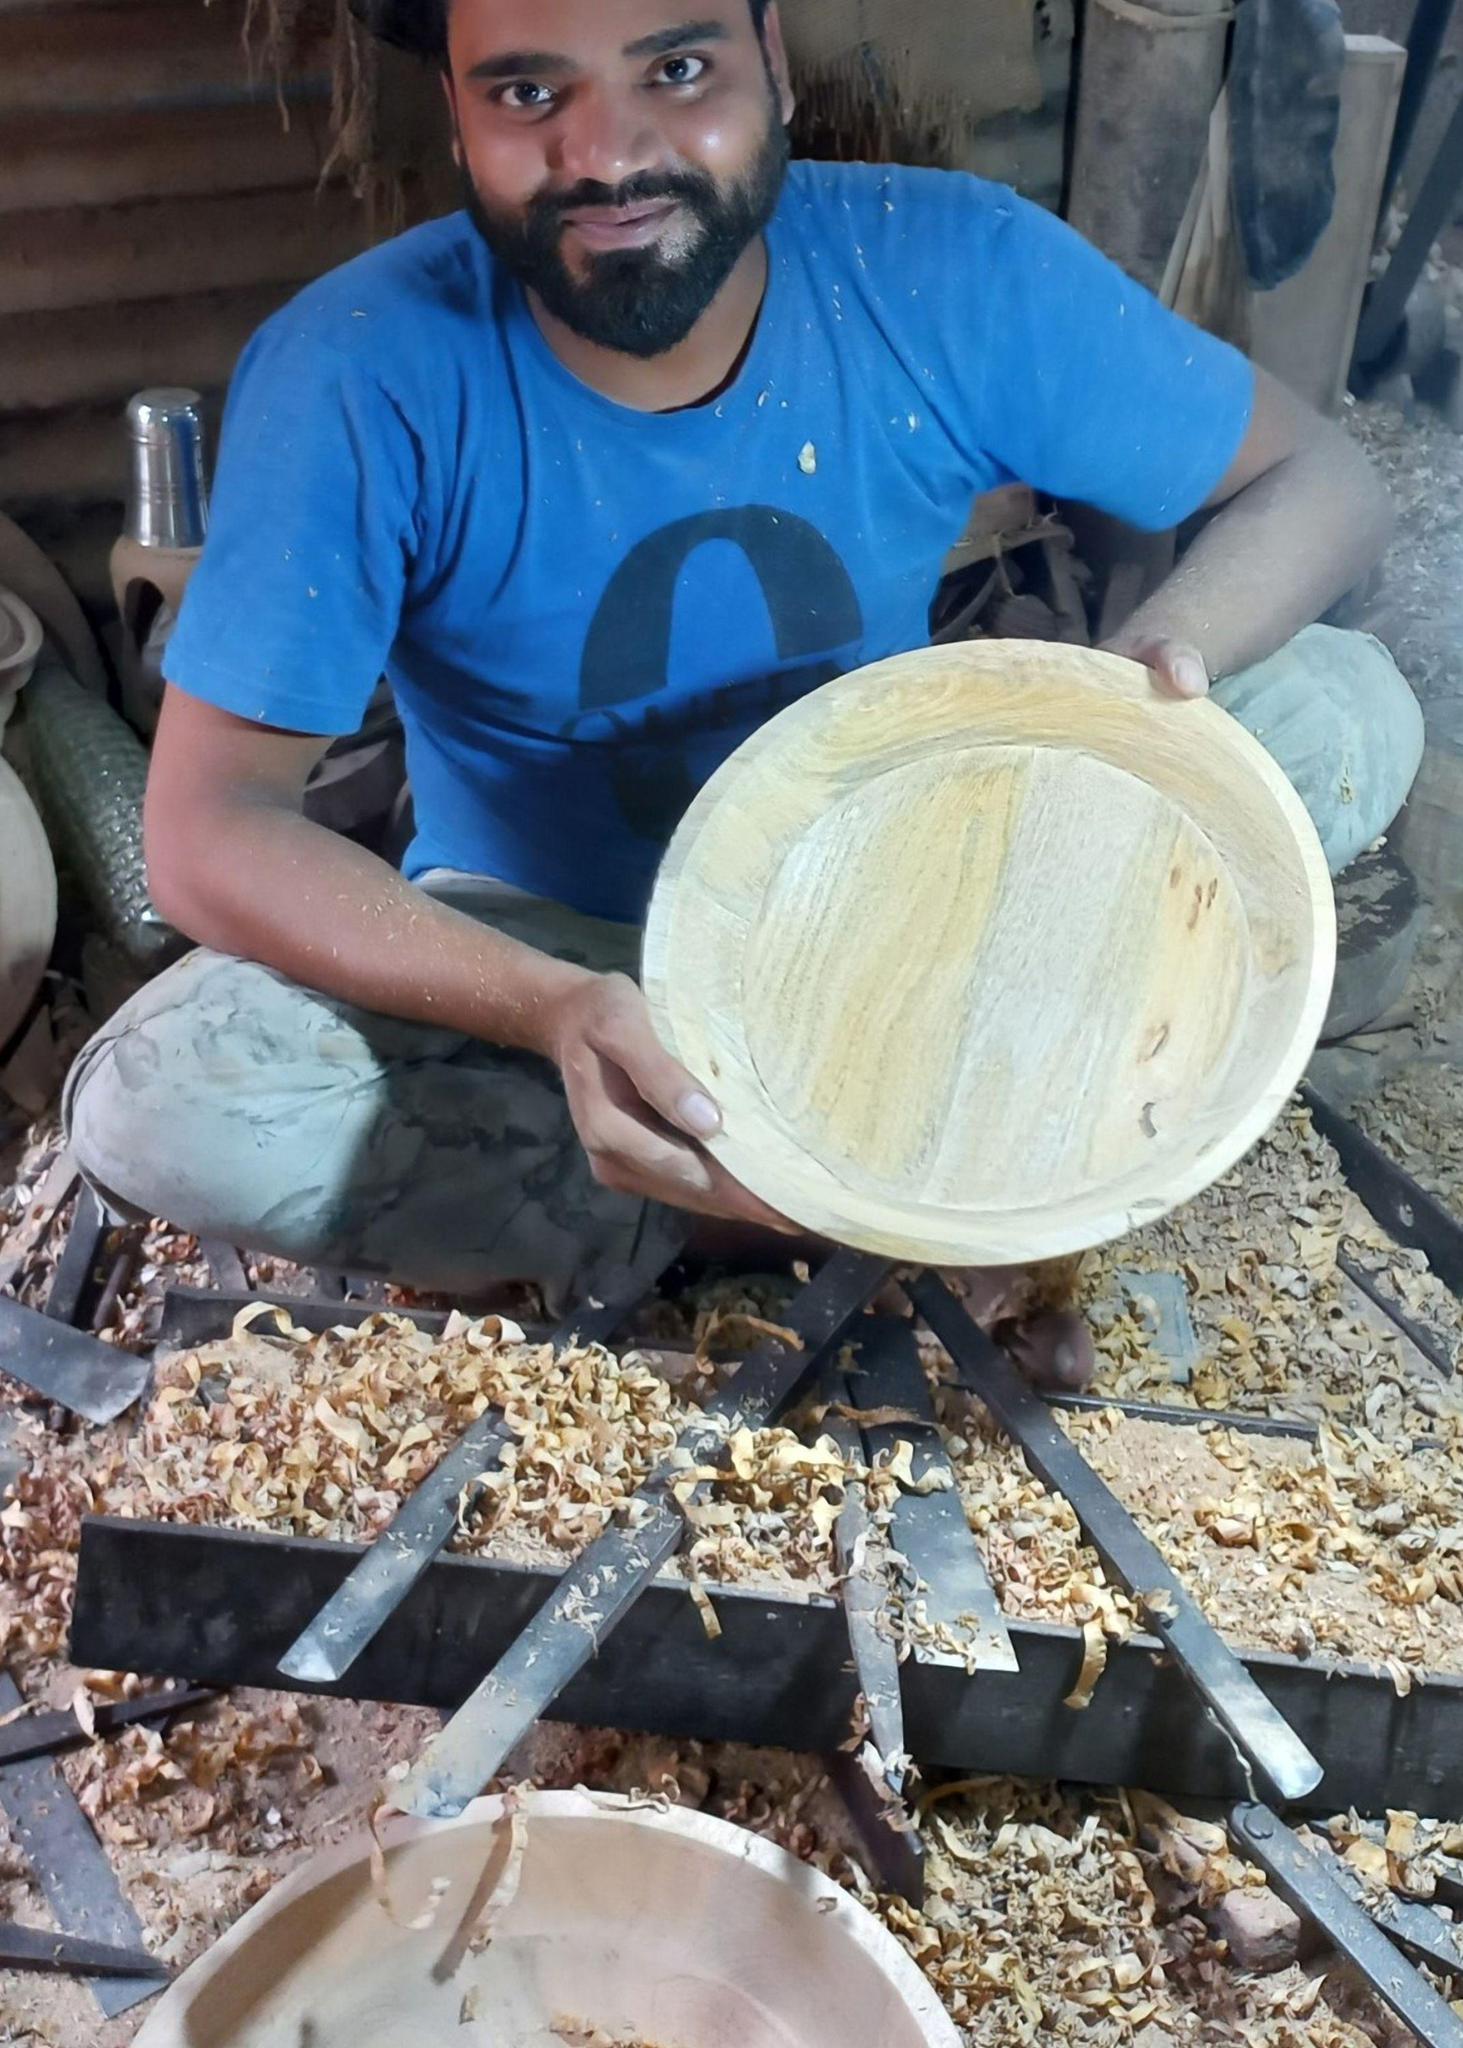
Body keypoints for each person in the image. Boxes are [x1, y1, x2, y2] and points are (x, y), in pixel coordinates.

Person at [65, 0, 1419, 1382]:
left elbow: (1326, 483)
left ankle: (810, 1172)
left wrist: (1137, 685)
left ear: (773, 60)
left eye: (679, 69)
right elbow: (205, 830)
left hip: (907, 904)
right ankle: (876, 1178)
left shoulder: (942, 262)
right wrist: (544, 1008)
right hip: (570, 953)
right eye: (529, 95)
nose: (608, 153)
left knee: (1342, 703)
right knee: (156, 1099)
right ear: (460, 116)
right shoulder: (359, 365)